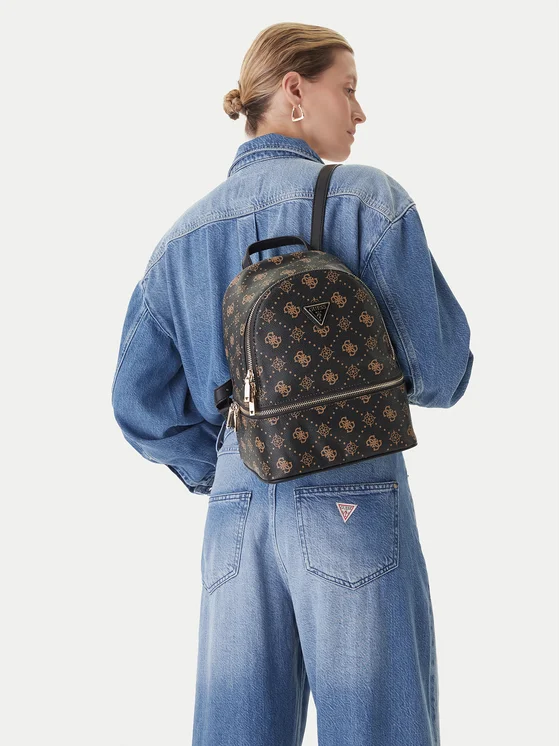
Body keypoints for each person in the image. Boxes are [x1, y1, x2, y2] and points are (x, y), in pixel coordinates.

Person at [111, 21, 474, 746]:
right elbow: (442, 374)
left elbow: (138, 404)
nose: (360, 111)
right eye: (349, 89)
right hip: (351, 486)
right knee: (376, 728)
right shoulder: (368, 202)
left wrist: (221, 466)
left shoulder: (178, 240)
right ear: (294, 90)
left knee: (237, 730)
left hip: (235, 504)